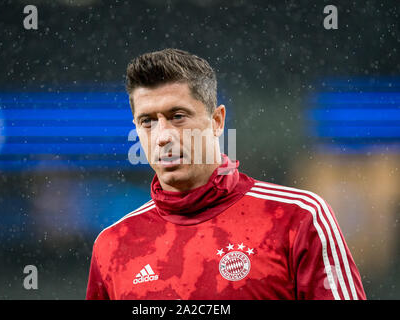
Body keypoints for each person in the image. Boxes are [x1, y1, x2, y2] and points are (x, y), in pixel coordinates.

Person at [86, 48, 366, 300]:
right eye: (147, 122)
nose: (162, 136)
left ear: (217, 121)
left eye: (178, 116)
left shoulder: (299, 217)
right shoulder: (113, 245)